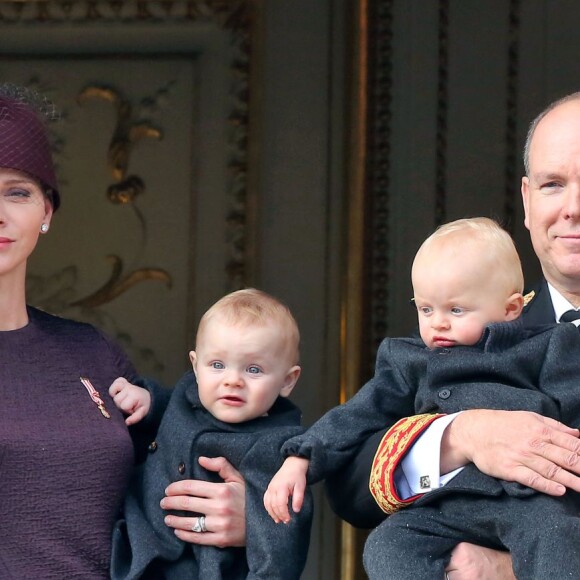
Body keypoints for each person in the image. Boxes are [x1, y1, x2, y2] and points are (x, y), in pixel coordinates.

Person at [325, 92, 580, 579]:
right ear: (527, 201)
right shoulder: (481, 325)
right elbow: (350, 484)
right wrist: (461, 435)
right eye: (553, 185)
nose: (572, 207)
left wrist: (506, 570)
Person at [0, 83, 245, 579]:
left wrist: (242, 515)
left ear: (46, 211)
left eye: (17, 192)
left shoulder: (89, 353)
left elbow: (175, 477)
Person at [265, 217, 580, 578]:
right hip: (442, 505)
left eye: (456, 310)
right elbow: (357, 415)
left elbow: (572, 417)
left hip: (527, 501)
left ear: (511, 309)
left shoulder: (548, 345)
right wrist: (301, 457)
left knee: (557, 535)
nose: (438, 324)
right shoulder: (410, 359)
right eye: (426, 309)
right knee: (387, 545)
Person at [109, 288, 312, 579]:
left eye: (253, 369)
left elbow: (283, 539)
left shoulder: (279, 447)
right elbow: (173, 407)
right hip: (138, 548)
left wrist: (256, 518)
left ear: (287, 381)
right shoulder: (187, 394)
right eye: (217, 365)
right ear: (195, 365)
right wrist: (148, 400)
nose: (232, 380)